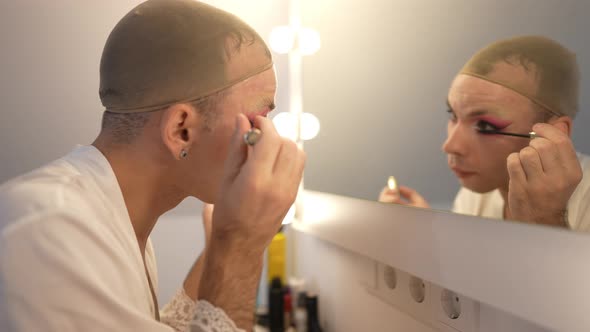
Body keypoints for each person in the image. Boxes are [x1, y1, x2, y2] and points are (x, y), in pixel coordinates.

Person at [0, 1, 305, 331]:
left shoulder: (109, 219)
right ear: (181, 130)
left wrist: (222, 241)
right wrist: (241, 245)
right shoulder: (51, 232)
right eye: (259, 119)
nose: (268, 137)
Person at [379, 35, 590, 230]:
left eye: (486, 126)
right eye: (453, 116)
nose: (451, 146)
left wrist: (548, 221)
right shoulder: (475, 195)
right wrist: (428, 230)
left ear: (555, 133)